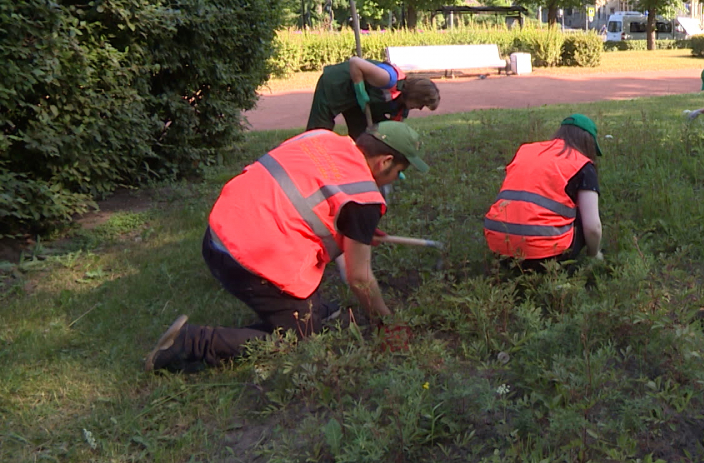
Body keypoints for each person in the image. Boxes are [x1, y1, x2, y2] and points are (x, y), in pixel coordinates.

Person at [144, 122, 429, 371]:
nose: (396, 180)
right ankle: (189, 343)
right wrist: (384, 321)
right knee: (300, 340)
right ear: (385, 161)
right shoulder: (363, 198)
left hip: (218, 234)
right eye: (399, 173)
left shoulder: (320, 138)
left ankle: (312, 309)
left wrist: (357, 232)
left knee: (309, 308)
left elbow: (299, 193)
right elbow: (359, 278)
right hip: (246, 262)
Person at [484, 114, 603, 270]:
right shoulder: (583, 164)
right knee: (585, 212)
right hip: (544, 255)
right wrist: (594, 254)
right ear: (588, 143)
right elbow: (593, 227)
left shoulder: (525, 150)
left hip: (498, 245)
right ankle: (564, 273)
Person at [307, 56, 441, 138]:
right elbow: (355, 63)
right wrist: (360, 91)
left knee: (364, 137)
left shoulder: (401, 109)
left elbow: (389, 135)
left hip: (357, 104)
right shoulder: (389, 79)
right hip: (336, 85)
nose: (420, 108)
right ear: (415, 94)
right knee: (318, 134)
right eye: (422, 103)